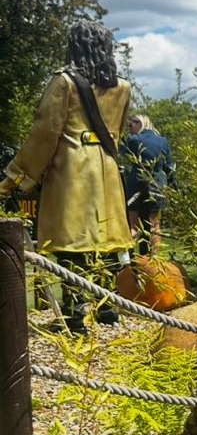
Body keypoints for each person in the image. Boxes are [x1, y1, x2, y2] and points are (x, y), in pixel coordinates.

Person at [0, 20, 134, 332]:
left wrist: (14, 179)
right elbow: (118, 132)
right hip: (108, 170)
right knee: (106, 240)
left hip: (73, 171)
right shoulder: (123, 87)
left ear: (75, 46)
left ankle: (76, 312)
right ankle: (107, 308)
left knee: (72, 244)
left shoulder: (65, 83)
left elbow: (44, 134)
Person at [120, 113, 174, 254]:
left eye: (132, 124)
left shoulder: (133, 139)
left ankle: (129, 260)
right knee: (155, 226)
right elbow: (169, 167)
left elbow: (123, 151)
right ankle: (154, 258)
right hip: (157, 184)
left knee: (133, 226)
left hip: (136, 183)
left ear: (140, 124)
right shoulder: (163, 141)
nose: (130, 127)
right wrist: (172, 185)